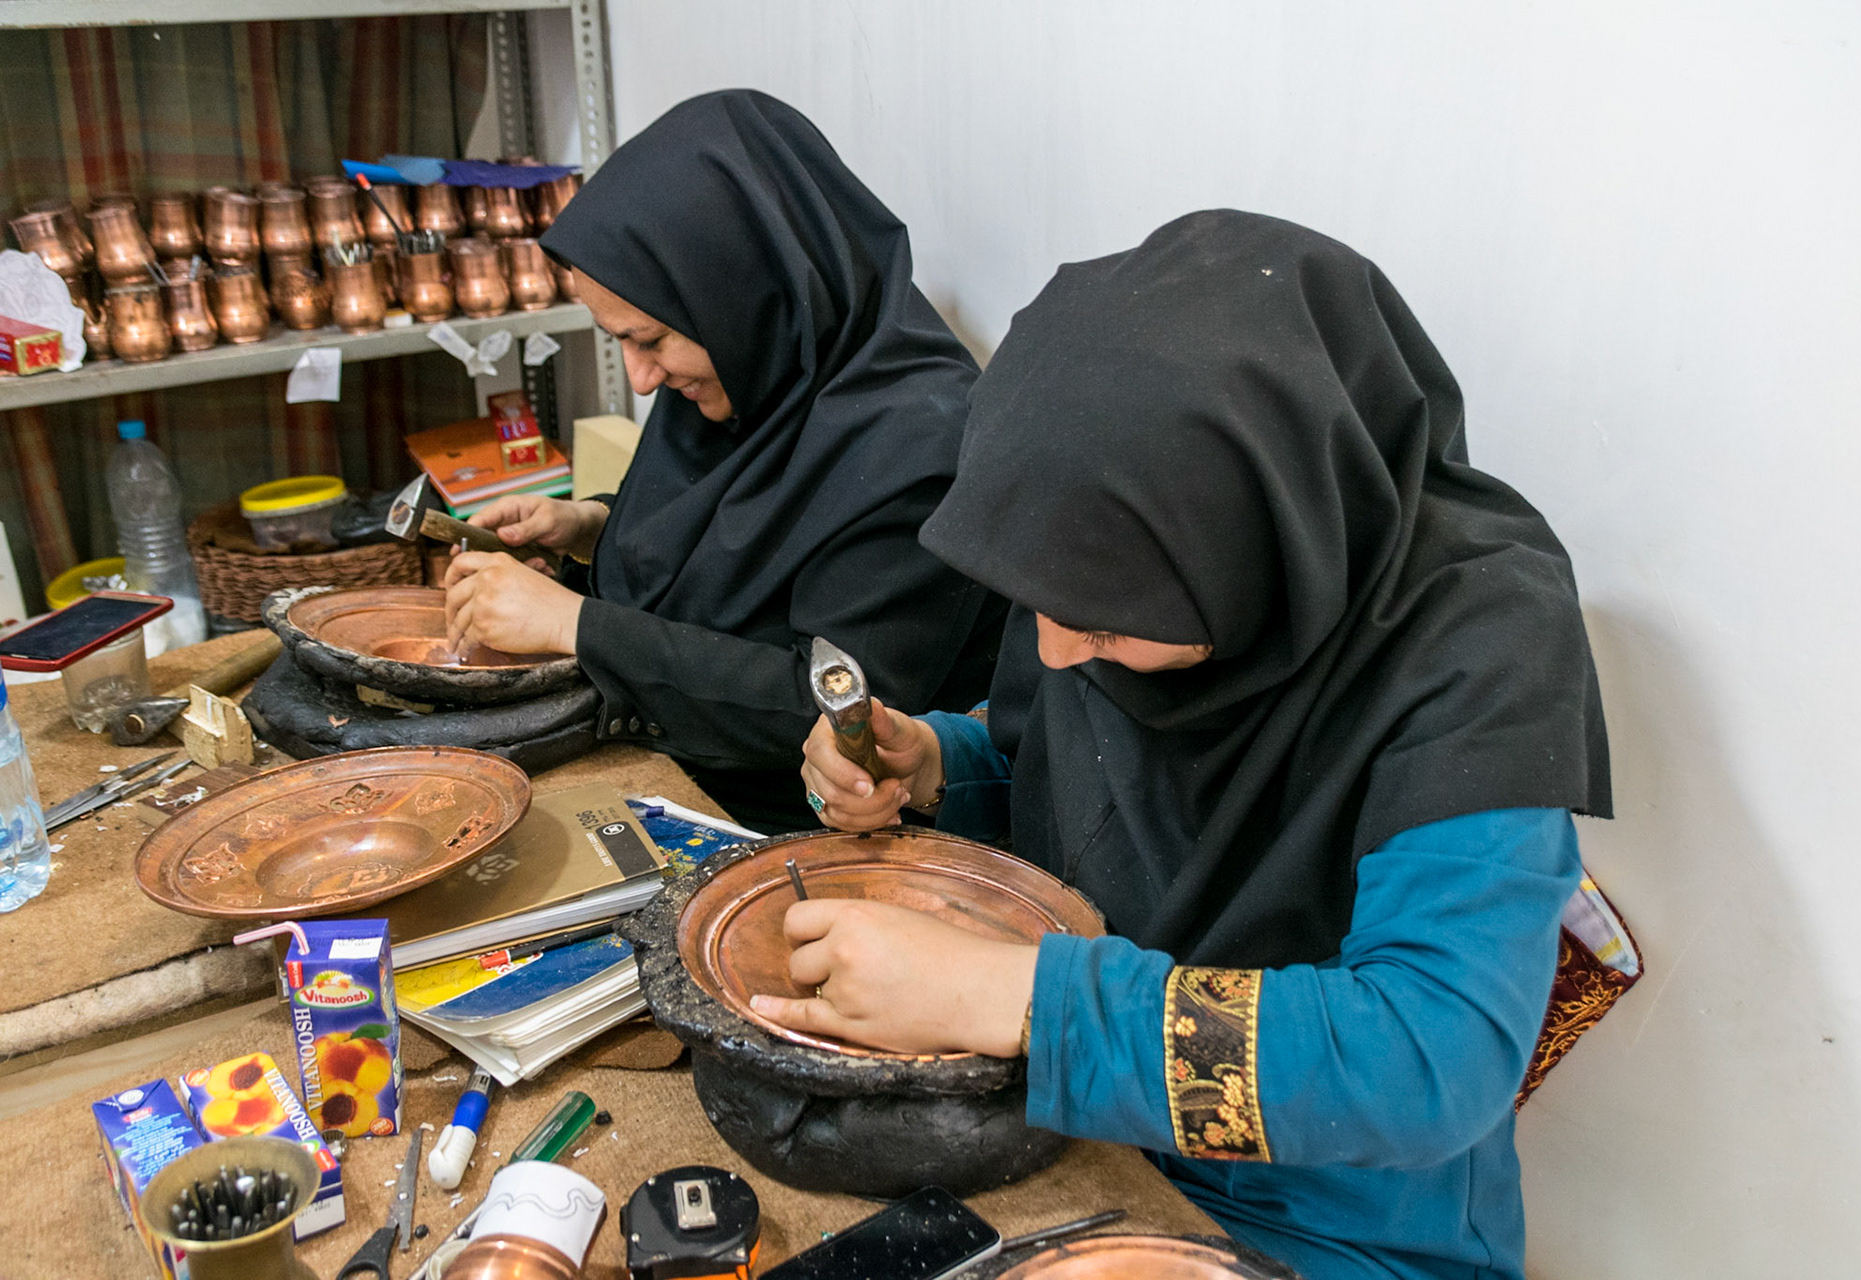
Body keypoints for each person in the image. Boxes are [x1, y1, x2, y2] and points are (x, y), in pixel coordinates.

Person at [766, 211, 1612, 1280]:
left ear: (1263, 536)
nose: (1057, 650)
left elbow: (1429, 1053)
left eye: (1106, 620)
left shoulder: (1482, 646)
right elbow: (1075, 779)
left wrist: (1015, 996)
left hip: (1330, 1219)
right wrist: (936, 765)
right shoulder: (1117, 570)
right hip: (1070, 1134)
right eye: (1035, 604)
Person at [441, 90, 1004, 833]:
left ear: (745, 293)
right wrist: (590, 526)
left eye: (650, 340)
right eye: (619, 341)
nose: (641, 378)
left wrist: (576, 624)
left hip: (808, 830)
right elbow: (731, 542)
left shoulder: (920, 449)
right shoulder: (753, 369)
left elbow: (829, 708)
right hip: (675, 772)